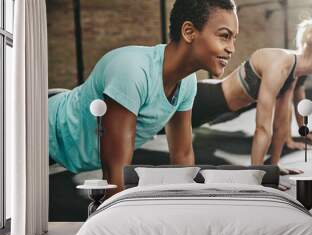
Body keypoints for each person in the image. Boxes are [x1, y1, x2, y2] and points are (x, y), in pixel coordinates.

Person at [48, 0, 239, 198]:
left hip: (70, 152)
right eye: (225, 36)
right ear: (189, 32)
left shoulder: (187, 83)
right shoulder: (132, 71)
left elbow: (182, 157)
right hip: (41, 126)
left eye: (234, 39)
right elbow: (115, 174)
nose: (232, 48)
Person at [192, 18, 312, 173]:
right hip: (201, 100)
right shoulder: (280, 64)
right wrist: (257, 176)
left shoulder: (293, 71)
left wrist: (273, 166)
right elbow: (262, 128)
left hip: (218, 111)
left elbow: (281, 124)